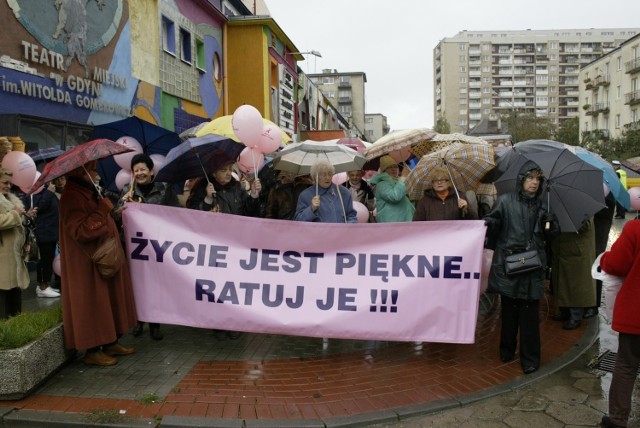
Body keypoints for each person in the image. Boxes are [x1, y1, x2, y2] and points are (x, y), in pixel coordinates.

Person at [58, 160, 138, 366]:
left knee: (108, 300)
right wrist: (102, 211)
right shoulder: (71, 196)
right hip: (88, 263)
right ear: (80, 173)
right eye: (91, 170)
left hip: (102, 257)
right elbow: (81, 231)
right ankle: (93, 350)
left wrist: (113, 214)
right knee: (94, 303)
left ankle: (111, 341)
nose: (96, 174)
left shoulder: (90, 192)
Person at [483, 161, 559, 375]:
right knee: (509, 312)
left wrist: (552, 225)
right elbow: (493, 222)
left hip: (532, 267)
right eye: (530, 178)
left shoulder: (544, 206)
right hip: (510, 264)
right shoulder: (505, 201)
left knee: (529, 315)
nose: (534, 183)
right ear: (521, 180)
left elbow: (551, 235)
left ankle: (530, 358)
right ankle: (506, 350)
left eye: (537, 179)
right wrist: (489, 222)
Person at [116, 153, 180, 341]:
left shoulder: (164, 189)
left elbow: (176, 214)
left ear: (151, 171)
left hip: (158, 247)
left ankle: (155, 324)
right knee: (136, 286)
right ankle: (138, 322)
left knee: (155, 286)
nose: (140, 173)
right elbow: (115, 215)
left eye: (143, 169)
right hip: (135, 248)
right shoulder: (128, 190)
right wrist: (121, 208)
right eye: (136, 171)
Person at [599, 219, 640, 428]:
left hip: (636, 312)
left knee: (626, 365)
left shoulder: (635, 228)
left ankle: (617, 420)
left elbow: (616, 264)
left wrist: (604, 259)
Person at [549, 217, 597, 330]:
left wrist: (565, 220)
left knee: (576, 285)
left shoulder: (582, 204)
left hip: (576, 250)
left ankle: (575, 316)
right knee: (562, 282)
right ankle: (564, 310)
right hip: (563, 249)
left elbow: (586, 225)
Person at [0, 168, 33, 319]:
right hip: (3, 255)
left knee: (14, 290)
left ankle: (16, 323)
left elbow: (18, 222)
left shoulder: (11, 199)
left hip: (15, 255)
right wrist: (15, 214)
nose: (8, 186)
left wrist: (27, 216)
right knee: (4, 290)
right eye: (4, 182)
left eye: (9, 183)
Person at [22, 187, 61, 298]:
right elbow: (38, 207)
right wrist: (49, 192)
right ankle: (43, 286)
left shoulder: (45, 192)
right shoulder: (34, 194)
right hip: (43, 232)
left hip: (51, 232)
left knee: (48, 259)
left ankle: (45, 284)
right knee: (44, 260)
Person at [186, 160, 262, 217]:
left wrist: (253, 196)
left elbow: (249, 213)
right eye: (223, 170)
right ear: (214, 173)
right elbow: (193, 215)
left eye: (230, 169)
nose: (229, 173)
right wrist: (208, 199)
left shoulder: (238, 187)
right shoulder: (202, 186)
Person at [586, 192, 616, 319]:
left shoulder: (607, 194)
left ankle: (594, 306)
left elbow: (605, 213)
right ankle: (588, 303)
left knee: (596, 268)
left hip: (599, 237)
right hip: (591, 238)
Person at [413, 167, 477, 221]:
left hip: (456, 234)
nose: (439, 182)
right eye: (436, 180)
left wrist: (466, 208)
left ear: (448, 182)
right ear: (432, 184)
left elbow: (473, 219)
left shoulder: (459, 196)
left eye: (443, 180)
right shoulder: (424, 202)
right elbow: (417, 223)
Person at [368, 155, 415, 222]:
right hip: (392, 223)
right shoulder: (382, 184)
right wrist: (403, 178)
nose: (393, 169)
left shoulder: (399, 182)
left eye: (395, 166)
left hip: (403, 221)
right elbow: (395, 197)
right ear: (384, 170)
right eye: (389, 167)